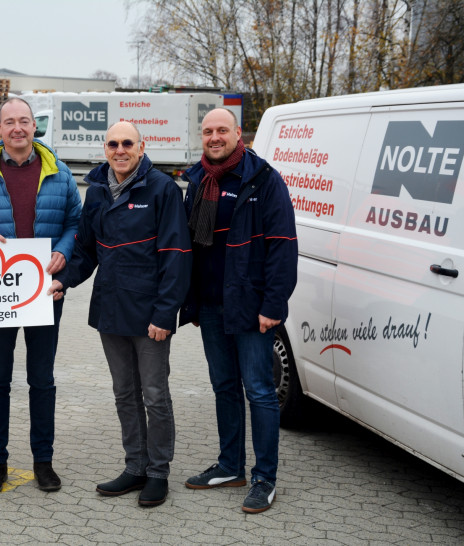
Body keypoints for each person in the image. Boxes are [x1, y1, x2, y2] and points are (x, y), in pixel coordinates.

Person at [49, 121, 192, 507]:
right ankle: (135, 467)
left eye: (128, 143)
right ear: (105, 149)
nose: (120, 149)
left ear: (142, 148)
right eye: (113, 143)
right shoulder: (96, 190)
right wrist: (64, 281)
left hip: (150, 316)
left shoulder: (162, 189)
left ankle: (158, 472)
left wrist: (165, 315)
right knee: (124, 394)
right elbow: (85, 250)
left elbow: (177, 256)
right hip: (111, 310)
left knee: (156, 395)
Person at [0, 98, 82, 494]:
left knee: (41, 380)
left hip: (44, 291)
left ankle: (43, 462)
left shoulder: (59, 173)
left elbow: (75, 223)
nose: (17, 128)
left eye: (24, 121)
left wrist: (63, 249)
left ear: (35, 127)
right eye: (9, 122)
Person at [180, 108, 297, 513]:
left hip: (251, 306)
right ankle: (231, 465)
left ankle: (265, 478)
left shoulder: (263, 179)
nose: (215, 137)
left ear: (237, 134)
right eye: (208, 131)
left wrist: (274, 304)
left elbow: (283, 244)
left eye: (222, 130)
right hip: (212, 305)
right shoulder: (197, 180)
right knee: (224, 387)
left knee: (260, 391)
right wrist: (192, 301)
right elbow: (194, 247)